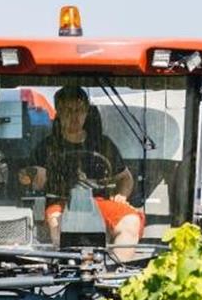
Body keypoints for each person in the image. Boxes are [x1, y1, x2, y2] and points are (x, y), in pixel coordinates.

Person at [17, 86, 143, 258]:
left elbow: (125, 178)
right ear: (58, 112)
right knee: (58, 227)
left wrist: (122, 195)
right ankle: (65, 269)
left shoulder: (103, 144)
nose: (74, 116)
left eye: (79, 110)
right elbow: (30, 176)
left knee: (131, 222)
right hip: (60, 202)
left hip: (99, 202)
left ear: (86, 112)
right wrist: (29, 174)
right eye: (68, 111)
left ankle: (115, 272)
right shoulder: (46, 146)